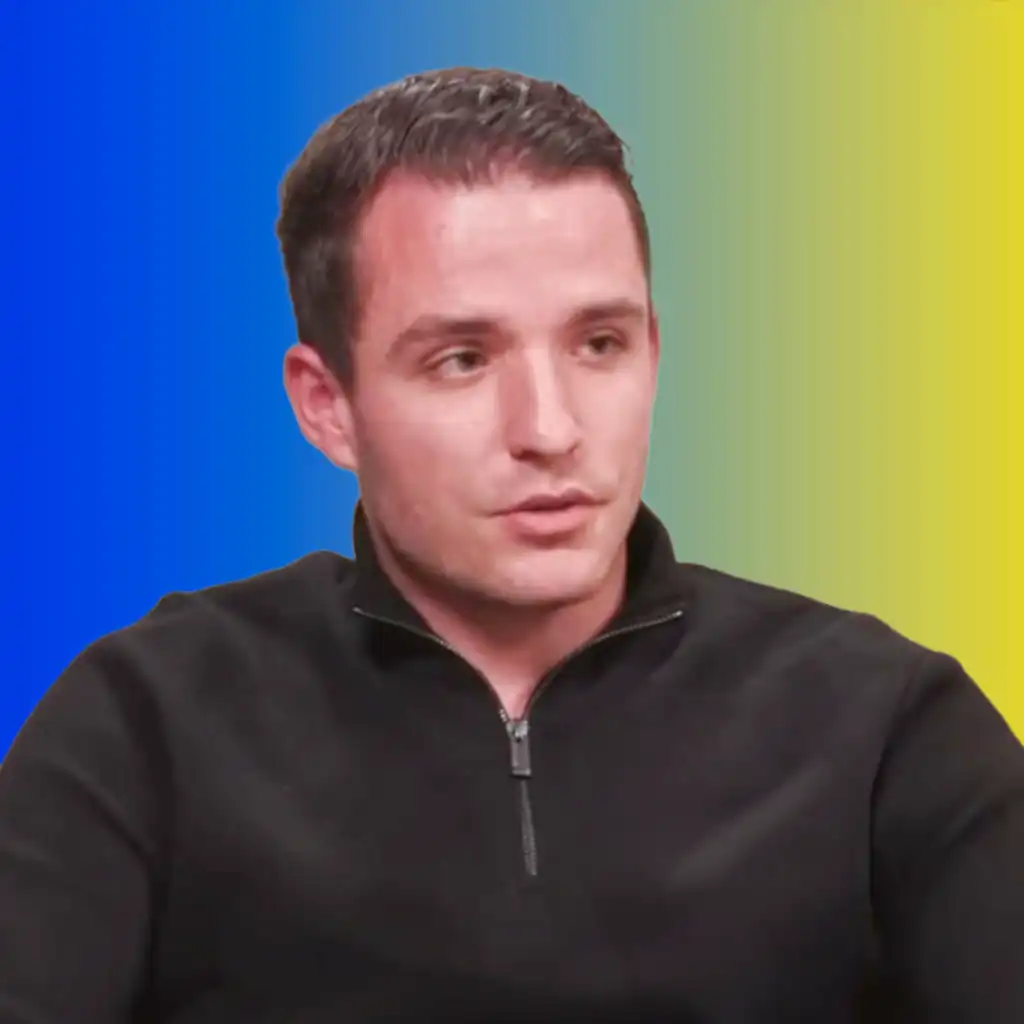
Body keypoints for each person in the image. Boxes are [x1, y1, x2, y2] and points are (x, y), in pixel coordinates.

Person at [0, 66, 1021, 1024]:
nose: (550, 427)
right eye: (461, 359)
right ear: (327, 405)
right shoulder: (145, 724)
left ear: (654, 351)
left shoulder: (885, 727)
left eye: (599, 344)